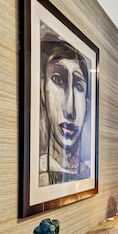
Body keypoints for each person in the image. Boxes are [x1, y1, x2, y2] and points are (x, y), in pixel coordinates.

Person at [39, 25, 92, 186]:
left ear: (88, 105)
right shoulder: (40, 172)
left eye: (79, 86)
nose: (70, 110)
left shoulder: (87, 170)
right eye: (58, 79)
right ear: (42, 93)